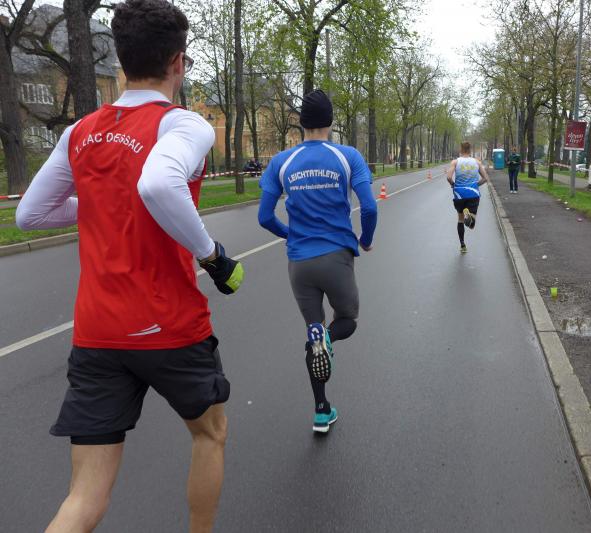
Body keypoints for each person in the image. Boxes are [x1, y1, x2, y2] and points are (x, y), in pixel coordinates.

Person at [15, 0, 243, 530]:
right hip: (169, 325)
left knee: (84, 497)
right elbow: (159, 184)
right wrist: (212, 256)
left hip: (97, 332)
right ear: (178, 62)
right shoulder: (182, 124)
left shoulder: (79, 132)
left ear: (121, 61)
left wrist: (104, 202)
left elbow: (30, 214)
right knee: (210, 434)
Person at [258, 89, 378, 434]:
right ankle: (326, 337)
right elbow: (369, 207)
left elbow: (264, 217)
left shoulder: (281, 161)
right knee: (347, 321)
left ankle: (321, 411)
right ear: (330, 121)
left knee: (313, 334)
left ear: (300, 123)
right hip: (336, 257)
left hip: (300, 263)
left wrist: (290, 234)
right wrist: (365, 240)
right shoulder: (347, 156)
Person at [446, 141, 489, 253]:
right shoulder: (477, 162)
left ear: (461, 150)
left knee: (460, 220)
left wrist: (453, 185)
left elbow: (449, 177)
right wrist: (476, 185)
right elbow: (485, 178)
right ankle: (469, 216)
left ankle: (462, 245)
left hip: (459, 194)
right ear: (470, 150)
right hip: (473, 194)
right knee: (471, 224)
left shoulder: (455, 162)